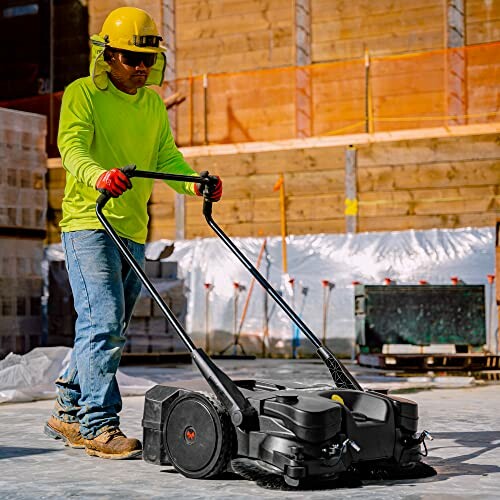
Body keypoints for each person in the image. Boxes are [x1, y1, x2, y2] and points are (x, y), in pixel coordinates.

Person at [44, 6, 222, 460]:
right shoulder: (82, 95)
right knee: (102, 323)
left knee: (109, 327)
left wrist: (196, 182)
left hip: (132, 228)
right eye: (130, 58)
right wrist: (99, 176)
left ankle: (67, 406)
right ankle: (98, 425)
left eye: (147, 59)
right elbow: (73, 150)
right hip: (89, 222)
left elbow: (166, 159)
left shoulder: (151, 105)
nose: (141, 68)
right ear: (108, 55)